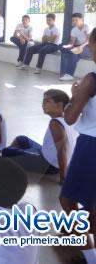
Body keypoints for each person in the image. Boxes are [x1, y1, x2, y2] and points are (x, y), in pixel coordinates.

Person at [60, 28, 96, 260]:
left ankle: (83, 238)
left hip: (91, 145)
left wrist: (73, 97)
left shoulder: (91, 78)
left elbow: (71, 118)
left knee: (67, 197)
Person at [3, 89, 77, 183]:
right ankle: (17, 158)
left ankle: (10, 161)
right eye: (43, 101)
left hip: (48, 164)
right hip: (49, 155)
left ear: (59, 105)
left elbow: (62, 149)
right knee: (21, 139)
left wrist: (63, 177)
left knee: (6, 151)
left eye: (47, 101)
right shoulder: (68, 118)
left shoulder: (55, 123)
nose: (43, 104)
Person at [59, 12, 91, 81]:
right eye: (73, 20)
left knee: (74, 53)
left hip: (89, 48)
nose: (74, 22)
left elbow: (88, 41)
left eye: (76, 20)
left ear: (82, 19)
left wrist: (80, 47)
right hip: (79, 46)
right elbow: (72, 42)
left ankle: (70, 75)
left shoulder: (87, 27)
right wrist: (68, 46)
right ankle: (63, 73)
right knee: (64, 52)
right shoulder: (74, 30)